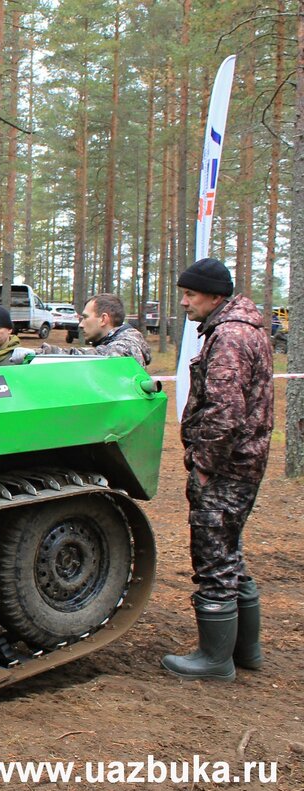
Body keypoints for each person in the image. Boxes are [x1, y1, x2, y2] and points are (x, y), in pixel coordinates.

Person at [162, 258, 272, 681]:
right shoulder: (247, 330)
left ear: (214, 295)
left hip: (227, 468)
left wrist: (204, 465)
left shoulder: (228, 337)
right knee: (230, 553)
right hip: (244, 463)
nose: (185, 303)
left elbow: (226, 411)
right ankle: (246, 651)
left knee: (213, 558)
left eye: (190, 295)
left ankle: (214, 659)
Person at [37, 293, 151, 366]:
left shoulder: (126, 346)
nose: (81, 325)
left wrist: (44, 353)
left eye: (86, 317)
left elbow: (99, 357)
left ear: (103, 319)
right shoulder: (118, 341)